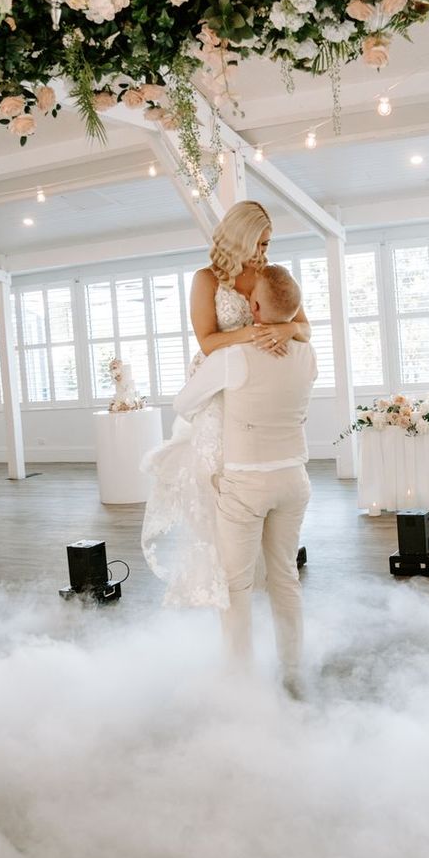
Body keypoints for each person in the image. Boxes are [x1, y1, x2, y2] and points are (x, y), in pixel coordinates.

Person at [141, 201, 310, 609]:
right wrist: (255, 334)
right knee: (221, 483)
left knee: (262, 474)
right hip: (219, 385)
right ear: (240, 237)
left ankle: (268, 570)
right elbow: (208, 341)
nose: (264, 251)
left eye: (269, 243)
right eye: (259, 242)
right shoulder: (207, 280)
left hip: (259, 385)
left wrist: (284, 328)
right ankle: (230, 582)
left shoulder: (268, 276)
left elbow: (303, 326)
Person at [173, 265, 317, 693]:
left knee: (236, 585)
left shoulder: (232, 358)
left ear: (253, 307)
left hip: (245, 485)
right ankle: (293, 667)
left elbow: (184, 403)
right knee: (285, 576)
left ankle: (240, 678)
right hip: (295, 478)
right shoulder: (308, 354)